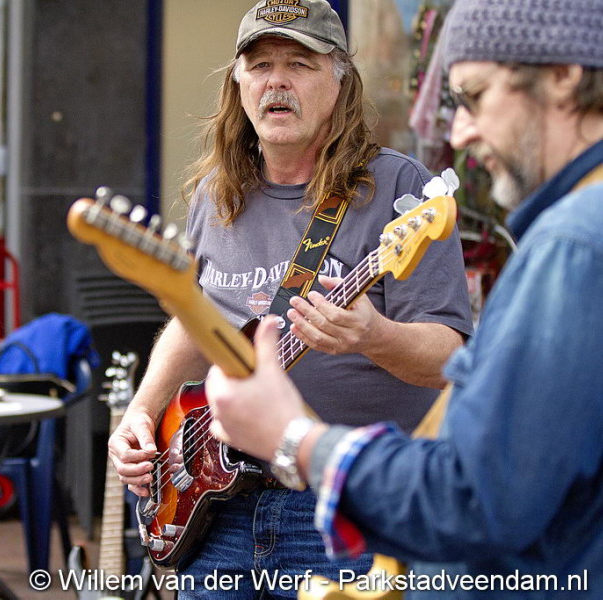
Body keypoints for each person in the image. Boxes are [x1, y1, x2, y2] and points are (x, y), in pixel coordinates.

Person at [205, 0, 603, 597]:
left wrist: (295, 438)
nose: (460, 132)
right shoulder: (214, 193)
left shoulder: (571, 245)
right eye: (260, 65)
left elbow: (473, 497)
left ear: (564, 77)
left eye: (474, 96)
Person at [108, 1, 473, 596]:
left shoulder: (401, 189)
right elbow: (196, 321)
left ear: (340, 81)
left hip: (341, 507)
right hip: (217, 509)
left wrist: (375, 336)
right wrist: (142, 414)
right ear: (238, 84)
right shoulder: (216, 193)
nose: (276, 81)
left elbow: (447, 360)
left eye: (299, 64)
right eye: (260, 66)